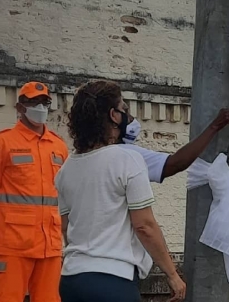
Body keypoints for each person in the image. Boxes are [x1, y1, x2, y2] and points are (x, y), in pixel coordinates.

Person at [56, 80, 185, 302]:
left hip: (72, 279)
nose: (128, 115)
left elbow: (66, 227)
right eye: (124, 108)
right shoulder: (128, 159)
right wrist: (172, 274)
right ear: (114, 115)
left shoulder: (67, 168)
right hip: (113, 281)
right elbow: (145, 226)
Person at [0, 82, 68, 302]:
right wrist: (10, 220)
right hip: (13, 245)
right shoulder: (2, 143)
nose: (40, 107)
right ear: (20, 107)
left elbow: (64, 194)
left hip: (50, 244)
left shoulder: (58, 146)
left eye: (44, 102)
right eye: (33, 102)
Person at [117, 108, 229, 183]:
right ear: (113, 115)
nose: (132, 118)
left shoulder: (99, 152)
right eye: (126, 112)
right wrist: (214, 127)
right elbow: (176, 163)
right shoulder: (124, 155)